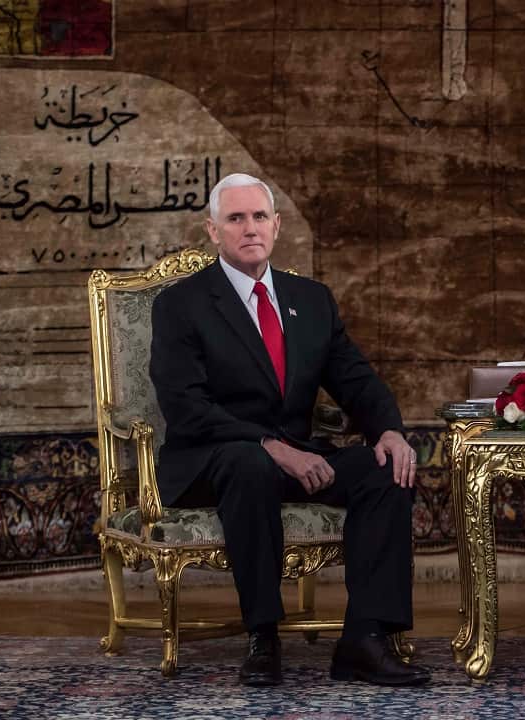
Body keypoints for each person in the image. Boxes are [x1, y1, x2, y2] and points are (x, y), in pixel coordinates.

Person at [150, 173, 429, 687]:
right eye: (235, 218)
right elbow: (186, 406)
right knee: (250, 463)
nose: (249, 228)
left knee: (387, 469)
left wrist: (388, 429)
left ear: (276, 227)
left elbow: (356, 379)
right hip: (214, 458)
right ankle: (263, 637)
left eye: (259, 217)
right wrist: (269, 444)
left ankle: (364, 641)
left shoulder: (312, 300)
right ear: (213, 231)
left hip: (299, 454)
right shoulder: (181, 305)